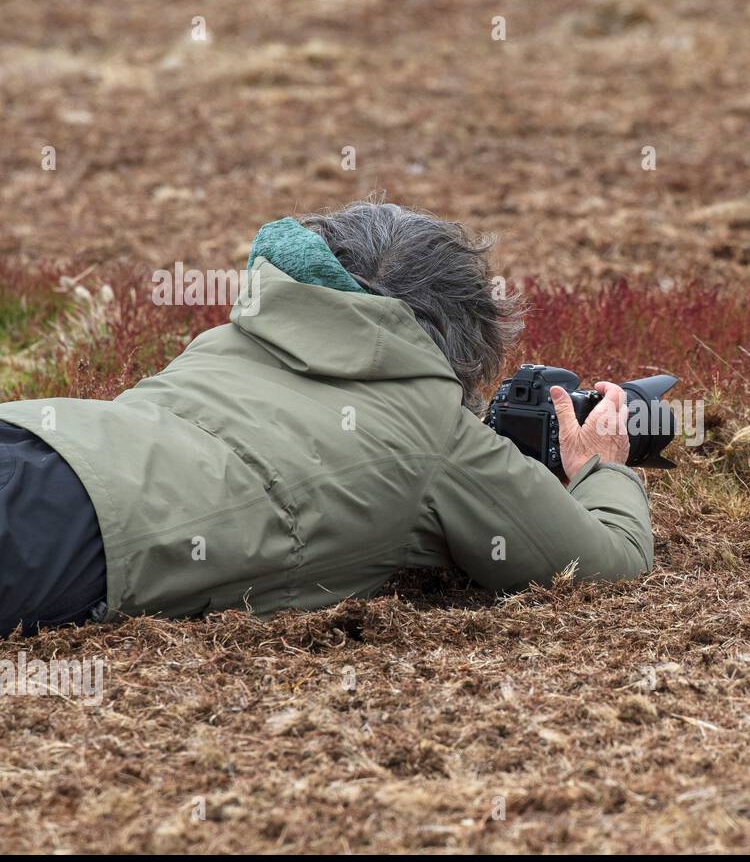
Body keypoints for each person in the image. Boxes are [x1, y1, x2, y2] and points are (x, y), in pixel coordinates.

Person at [0, 201, 653, 637]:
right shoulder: (437, 437)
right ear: (464, 331)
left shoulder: (225, 341)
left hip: (33, 437)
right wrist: (602, 469)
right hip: (70, 533)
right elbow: (606, 564)